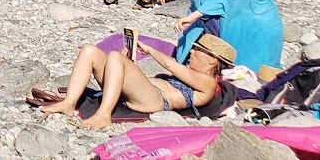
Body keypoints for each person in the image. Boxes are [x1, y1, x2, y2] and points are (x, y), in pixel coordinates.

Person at [37, 32, 236, 130]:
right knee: (90, 50)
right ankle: (69, 103)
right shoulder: (191, 74)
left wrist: (148, 49)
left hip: (156, 101)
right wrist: (129, 68)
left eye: (197, 50)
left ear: (212, 60)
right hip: (144, 92)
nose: (191, 52)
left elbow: (170, 65)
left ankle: (103, 114)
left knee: (115, 57)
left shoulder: (209, 83)